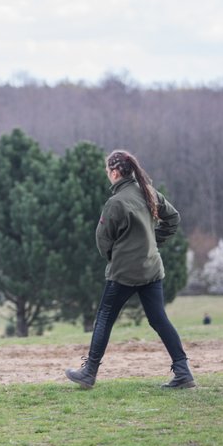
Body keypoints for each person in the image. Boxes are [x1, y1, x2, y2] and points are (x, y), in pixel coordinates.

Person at [65, 150, 196, 390]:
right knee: (159, 319)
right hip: (152, 269)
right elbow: (173, 218)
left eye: (107, 171)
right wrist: (154, 242)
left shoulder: (116, 202)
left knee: (104, 318)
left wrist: (115, 258)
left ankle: (89, 372)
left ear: (114, 172)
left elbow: (102, 239)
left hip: (124, 273)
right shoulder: (149, 192)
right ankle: (183, 371)